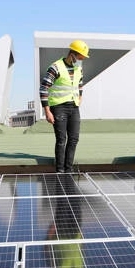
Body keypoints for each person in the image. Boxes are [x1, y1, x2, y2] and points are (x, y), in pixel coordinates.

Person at [39, 40, 90, 173]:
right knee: (61, 140)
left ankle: (69, 170)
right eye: (80, 57)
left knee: (74, 139)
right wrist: (47, 111)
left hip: (74, 107)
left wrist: (80, 97)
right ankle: (60, 171)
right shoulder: (55, 67)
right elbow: (44, 88)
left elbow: (80, 84)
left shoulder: (78, 69)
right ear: (73, 54)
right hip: (59, 107)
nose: (81, 60)